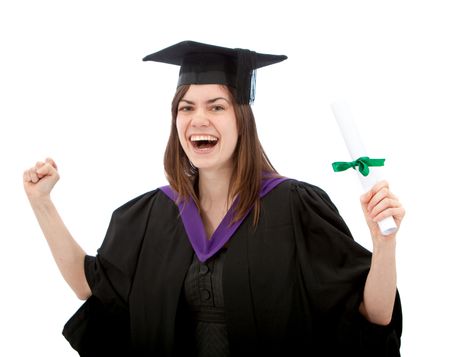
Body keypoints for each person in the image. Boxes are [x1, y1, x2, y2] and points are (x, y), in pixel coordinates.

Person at [23, 41, 405, 356]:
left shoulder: (293, 206)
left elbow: (371, 314)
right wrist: (42, 203)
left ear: (242, 119)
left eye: (216, 107)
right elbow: (89, 286)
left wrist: (383, 243)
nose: (198, 119)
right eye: (186, 107)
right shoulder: (154, 214)